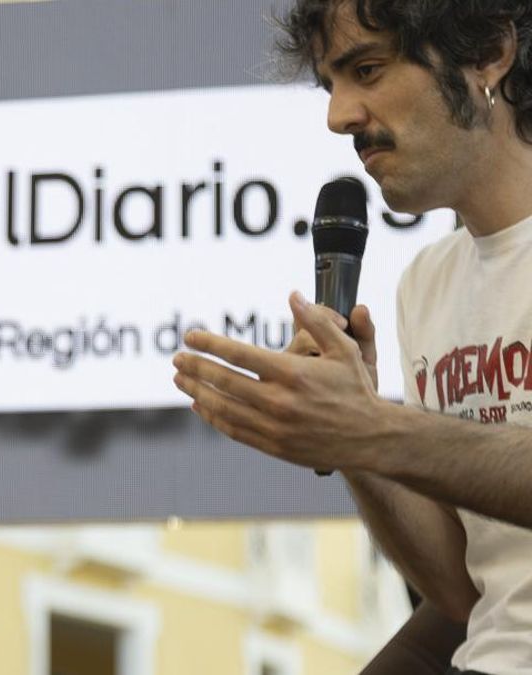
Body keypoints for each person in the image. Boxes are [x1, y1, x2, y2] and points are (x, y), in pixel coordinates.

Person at [171, 1, 532, 674]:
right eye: (330, 85)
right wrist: (355, 440)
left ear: (489, 52)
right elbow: (459, 589)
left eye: (367, 69)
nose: (339, 117)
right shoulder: (428, 283)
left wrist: (376, 430)